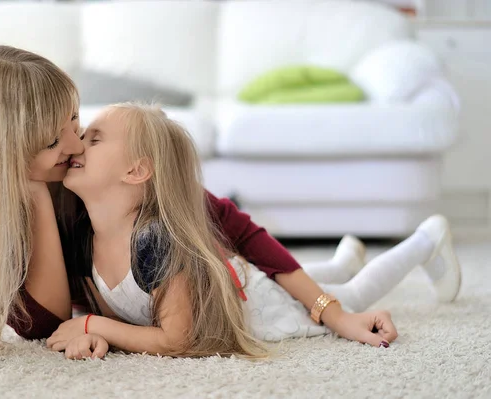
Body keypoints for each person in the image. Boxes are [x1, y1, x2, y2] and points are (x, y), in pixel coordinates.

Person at [0, 45, 375, 358]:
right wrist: (34, 192)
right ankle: (339, 266)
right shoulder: (13, 214)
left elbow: (236, 229)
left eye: (75, 117)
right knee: (265, 283)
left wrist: (331, 312)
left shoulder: (101, 182)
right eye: (56, 138)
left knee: (273, 283)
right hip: (211, 283)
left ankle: (338, 270)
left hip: (234, 277)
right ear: (5, 158)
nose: (76, 143)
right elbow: (44, 326)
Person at [45, 103, 461, 359]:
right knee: (327, 279)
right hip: (232, 273)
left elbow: (178, 339)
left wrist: (93, 328)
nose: (77, 145)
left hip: (258, 300)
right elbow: (118, 309)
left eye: (93, 139)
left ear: (136, 171)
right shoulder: (83, 236)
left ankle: (425, 241)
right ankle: (340, 261)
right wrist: (96, 330)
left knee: (352, 298)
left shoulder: (158, 242)